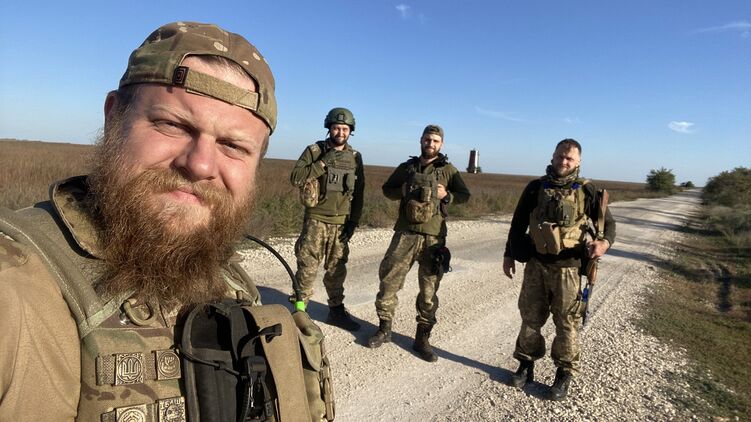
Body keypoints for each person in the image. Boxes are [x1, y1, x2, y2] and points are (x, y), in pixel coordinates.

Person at [0, 22, 333, 421]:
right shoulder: (17, 283)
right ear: (113, 117)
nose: (200, 165)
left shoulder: (226, 276)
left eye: (233, 145)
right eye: (173, 125)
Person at [502, 138, 616, 400]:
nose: (564, 161)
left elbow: (609, 225)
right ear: (553, 156)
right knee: (530, 317)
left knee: (567, 323)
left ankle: (564, 373)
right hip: (536, 265)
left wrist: (604, 244)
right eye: (560, 156)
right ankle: (526, 364)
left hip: (569, 269)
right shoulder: (535, 187)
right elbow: (518, 224)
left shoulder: (587, 190)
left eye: (569, 158)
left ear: (578, 161)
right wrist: (509, 255)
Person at [367, 124, 471, 362]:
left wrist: (447, 196)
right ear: (421, 140)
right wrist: (402, 190)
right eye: (427, 139)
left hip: (433, 239)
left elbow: (464, 196)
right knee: (389, 281)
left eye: (435, 141)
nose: (430, 144)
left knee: (429, 291)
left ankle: (422, 338)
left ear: (441, 144)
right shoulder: (407, 168)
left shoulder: (449, 171)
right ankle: (384, 329)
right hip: (405, 234)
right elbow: (387, 189)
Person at [290, 107, 365, 331]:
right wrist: (323, 163)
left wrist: (353, 222)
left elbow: (359, 192)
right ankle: (299, 311)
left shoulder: (355, 157)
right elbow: (296, 177)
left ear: (350, 131)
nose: (340, 132)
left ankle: (336, 311)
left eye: (345, 129)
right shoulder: (315, 151)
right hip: (316, 220)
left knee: (336, 269)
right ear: (329, 128)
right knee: (307, 267)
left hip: (341, 223)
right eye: (336, 128)